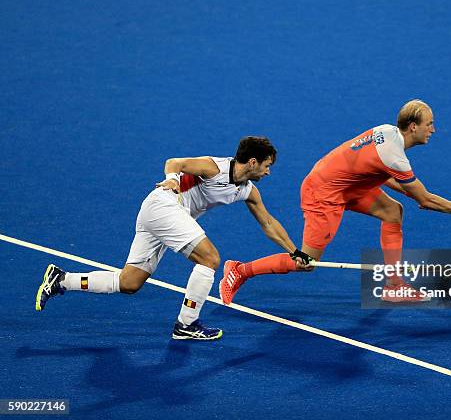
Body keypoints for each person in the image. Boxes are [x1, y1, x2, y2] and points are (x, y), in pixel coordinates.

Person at [35, 136, 311, 340]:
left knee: (130, 282)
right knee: (210, 258)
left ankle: (62, 279)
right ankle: (187, 324)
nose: (268, 171)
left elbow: (268, 223)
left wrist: (294, 252)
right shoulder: (213, 167)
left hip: (161, 216)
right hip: (164, 205)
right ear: (252, 162)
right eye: (266, 165)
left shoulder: (247, 191)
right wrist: (172, 180)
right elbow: (174, 162)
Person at [219, 100, 451, 304]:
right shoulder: (395, 155)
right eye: (430, 124)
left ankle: (394, 286)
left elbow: (377, 172)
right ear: (413, 127)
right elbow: (425, 200)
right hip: (323, 194)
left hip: (346, 185)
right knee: (307, 262)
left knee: (393, 211)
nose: (433, 129)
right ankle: (240, 270)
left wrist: (410, 192)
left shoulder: (387, 132)